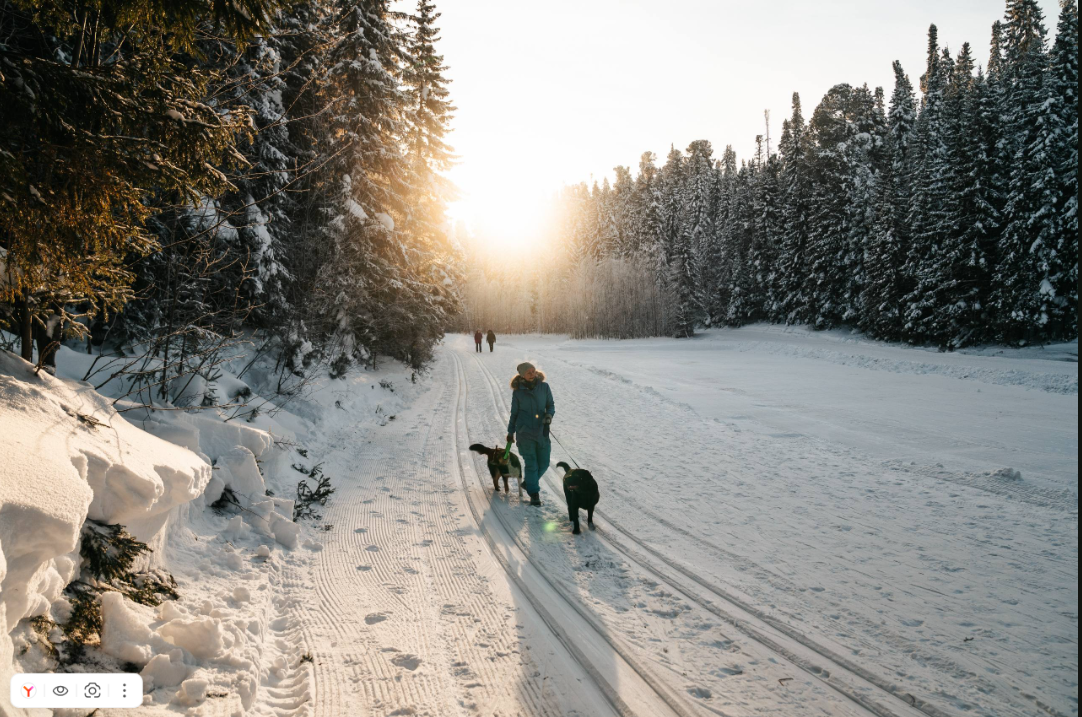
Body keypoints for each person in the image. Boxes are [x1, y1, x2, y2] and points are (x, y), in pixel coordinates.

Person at [506, 362, 554, 506]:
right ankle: (534, 494)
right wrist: (510, 432)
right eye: (529, 372)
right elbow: (514, 413)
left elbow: (550, 405)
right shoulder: (518, 392)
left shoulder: (544, 387)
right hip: (524, 432)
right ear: (522, 375)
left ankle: (529, 483)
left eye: (533, 371)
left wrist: (548, 417)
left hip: (541, 432)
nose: (532, 374)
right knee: (531, 464)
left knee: (544, 463)